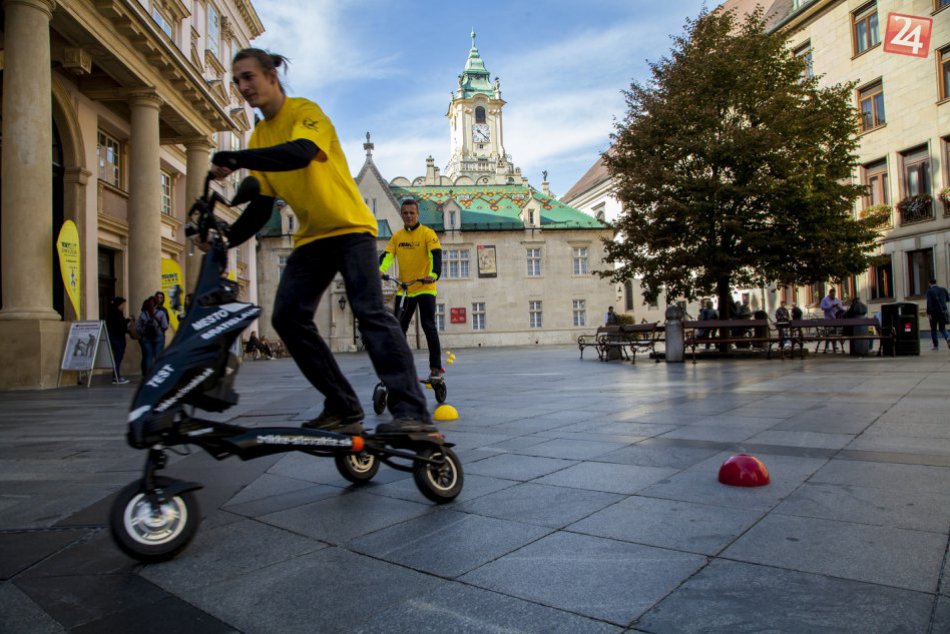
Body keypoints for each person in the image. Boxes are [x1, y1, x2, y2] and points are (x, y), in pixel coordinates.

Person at [203, 47, 434, 435]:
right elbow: (261, 207)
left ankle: (412, 411)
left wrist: (238, 158)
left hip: (350, 228)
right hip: (312, 237)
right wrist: (226, 238)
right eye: (237, 80)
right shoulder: (259, 136)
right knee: (287, 317)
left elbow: (301, 152)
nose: (242, 86)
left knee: (370, 312)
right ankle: (343, 405)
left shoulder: (305, 113)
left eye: (249, 76)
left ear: (272, 77)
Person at [379, 197, 444, 381]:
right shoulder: (397, 237)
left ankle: (436, 367)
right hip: (405, 289)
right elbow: (387, 256)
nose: (409, 216)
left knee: (428, 325)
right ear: (401, 214)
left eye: (412, 213)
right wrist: (379, 270)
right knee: (399, 328)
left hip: (425, 287)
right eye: (405, 213)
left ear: (417, 214)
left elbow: (435, 255)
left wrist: (433, 273)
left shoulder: (427, 233)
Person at [136, 296, 168, 375]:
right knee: (158, 356)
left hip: (146, 337)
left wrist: (143, 331)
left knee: (148, 356)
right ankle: (157, 374)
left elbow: (138, 327)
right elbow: (165, 326)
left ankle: (149, 375)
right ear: (156, 304)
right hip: (158, 336)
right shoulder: (161, 313)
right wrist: (160, 329)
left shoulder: (143, 314)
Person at [106, 296, 131, 384]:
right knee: (118, 357)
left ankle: (116, 376)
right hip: (117, 338)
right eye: (122, 305)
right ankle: (116, 377)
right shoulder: (117, 314)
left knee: (117, 357)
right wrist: (127, 323)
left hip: (113, 337)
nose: (123, 307)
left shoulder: (111, 313)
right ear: (118, 305)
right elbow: (121, 326)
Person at [925, 278, 950, 351]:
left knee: (933, 329)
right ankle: (948, 337)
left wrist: (928, 313)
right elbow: (948, 299)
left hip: (933, 313)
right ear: (936, 282)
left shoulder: (929, 291)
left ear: (929, 283)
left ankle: (936, 346)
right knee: (942, 328)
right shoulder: (943, 289)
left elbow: (929, 303)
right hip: (943, 312)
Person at [819, 287, 845, 352]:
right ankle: (827, 346)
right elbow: (822, 307)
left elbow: (842, 309)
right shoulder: (825, 300)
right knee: (828, 332)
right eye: (832, 295)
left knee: (835, 332)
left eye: (834, 294)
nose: (833, 296)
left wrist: (838, 307)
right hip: (828, 319)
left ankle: (835, 345)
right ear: (829, 293)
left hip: (836, 319)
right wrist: (830, 306)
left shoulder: (837, 300)